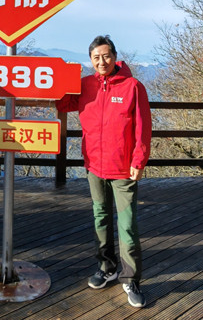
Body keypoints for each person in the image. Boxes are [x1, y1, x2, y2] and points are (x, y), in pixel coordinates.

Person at [56, 35, 152, 308]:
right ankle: (107, 267)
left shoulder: (133, 87)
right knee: (100, 219)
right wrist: (62, 79)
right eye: (96, 57)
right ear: (90, 60)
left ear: (115, 57)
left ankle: (130, 279)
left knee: (127, 226)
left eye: (106, 56)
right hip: (94, 166)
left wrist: (138, 161)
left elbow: (143, 127)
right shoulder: (85, 85)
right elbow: (62, 104)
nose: (102, 61)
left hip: (123, 169)